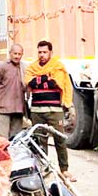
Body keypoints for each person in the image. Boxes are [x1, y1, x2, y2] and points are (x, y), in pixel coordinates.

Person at [24, 40, 76, 182]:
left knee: (59, 139)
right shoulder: (32, 67)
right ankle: (43, 168)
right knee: (40, 141)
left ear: (51, 53)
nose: (42, 55)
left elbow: (57, 82)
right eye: (40, 52)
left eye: (45, 52)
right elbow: (29, 81)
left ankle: (64, 170)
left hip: (54, 110)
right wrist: (46, 79)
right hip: (36, 110)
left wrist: (39, 80)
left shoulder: (58, 66)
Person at [0, 44, 26, 139]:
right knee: (1, 139)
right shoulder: (1, 67)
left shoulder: (24, 68)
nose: (17, 56)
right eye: (15, 53)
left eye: (19, 54)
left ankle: (12, 155)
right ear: (10, 53)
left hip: (18, 108)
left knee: (16, 139)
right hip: (4, 108)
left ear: (22, 55)